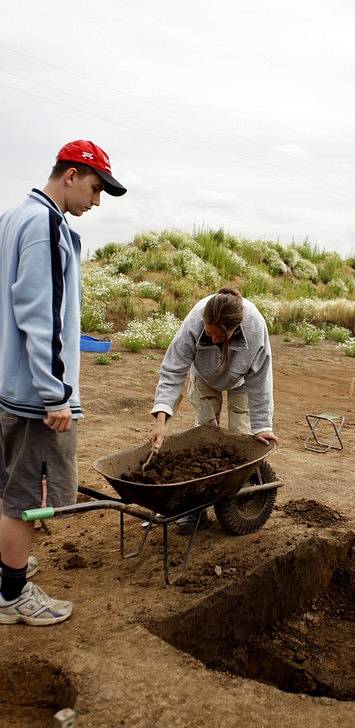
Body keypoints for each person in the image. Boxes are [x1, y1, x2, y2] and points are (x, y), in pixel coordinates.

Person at [0, 140, 126, 625]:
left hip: (11, 384)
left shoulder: (13, 217)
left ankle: (8, 568)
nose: (96, 202)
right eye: (95, 189)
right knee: (27, 499)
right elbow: (43, 315)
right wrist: (56, 394)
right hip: (35, 395)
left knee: (11, 488)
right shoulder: (47, 224)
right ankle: (12, 595)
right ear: (70, 175)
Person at [150, 287, 277, 530]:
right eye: (209, 333)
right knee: (205, 436)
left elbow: (261, 379)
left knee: (242, 440)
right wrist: (161, 422)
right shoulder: (195, 321)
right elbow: (173, 371)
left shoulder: (255, 326)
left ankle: (236, 504)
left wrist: (262, 426)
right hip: (205, 377)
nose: (214, 339)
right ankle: (196, 508)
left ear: (233, 329)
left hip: (241, 382)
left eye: (220, 336)